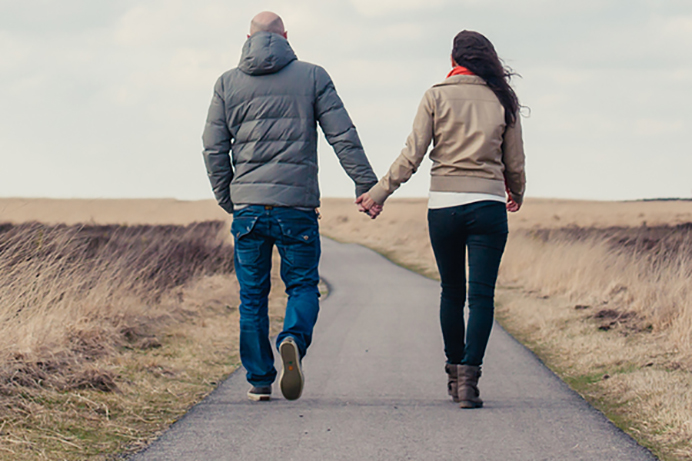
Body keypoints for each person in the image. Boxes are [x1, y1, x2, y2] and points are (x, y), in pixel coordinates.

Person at [203, 12, 378, 402]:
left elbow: (213, 148)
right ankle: (293, 339)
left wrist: (229, 198)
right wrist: (366, 184)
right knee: (302, 285)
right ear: (285, 36)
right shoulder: (313, 76)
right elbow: (342, 135)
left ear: (247, 37)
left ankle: (259, 379)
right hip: (296, 208)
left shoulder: (226, 83)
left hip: (248, 208)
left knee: (252, 297)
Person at [357, 30, 526, 408]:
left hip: (444, 207)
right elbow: (514, 161)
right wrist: (517, 191)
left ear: (453, 62)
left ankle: (454, 371)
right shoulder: (502, 99)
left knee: (452, 291)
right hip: (487, 205)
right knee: (481, 297)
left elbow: (412, 155)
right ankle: (469, 381)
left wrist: (379, 193)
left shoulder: (435, 95)